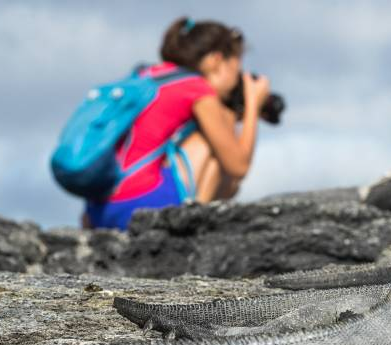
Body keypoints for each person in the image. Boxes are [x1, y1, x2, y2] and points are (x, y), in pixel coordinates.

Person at [84, 18, 269, 230]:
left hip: (97, 211)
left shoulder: (149, 77)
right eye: (236, 69)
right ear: (217, 60)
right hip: (140, 205)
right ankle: (192, 232)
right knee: (211, 148)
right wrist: (253, 102)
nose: (237, 81)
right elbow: (238, 166)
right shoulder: (197, 89)